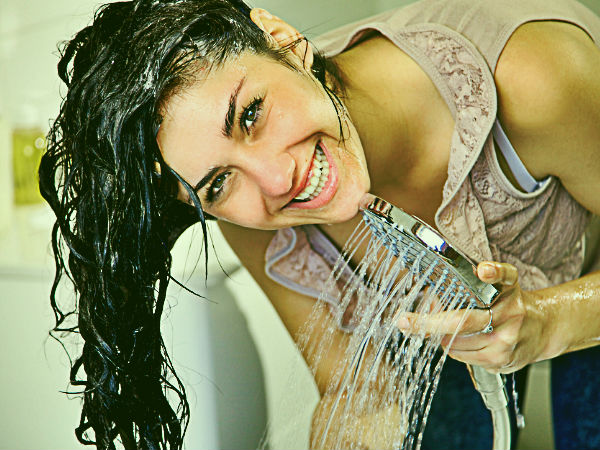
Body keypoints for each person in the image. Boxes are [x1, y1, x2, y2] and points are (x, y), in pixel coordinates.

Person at [39, 0, 600, 448]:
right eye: (218, 182)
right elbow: (359, 391)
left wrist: (548, 321)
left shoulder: (535, 78)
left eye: (251, 114)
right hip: (453, 332)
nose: (275, 180)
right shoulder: (249, 214)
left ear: (285, 41)